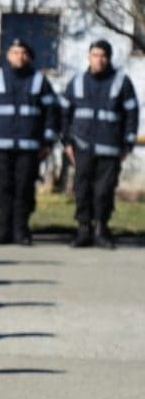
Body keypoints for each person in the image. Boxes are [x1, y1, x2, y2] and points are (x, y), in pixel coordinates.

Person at [0, 38, 60, 246]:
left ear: (29, 57)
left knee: (24, 188)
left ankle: (21, 230)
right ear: (8, 56)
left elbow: (52, 113)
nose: (19, 57)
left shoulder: (39, 81)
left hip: (29, 147)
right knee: (5, 188)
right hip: (0, 146)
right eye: (15, 52)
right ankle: (3, 229)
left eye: (23, 53)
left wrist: (48, 142)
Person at [61, 39, 139, 248]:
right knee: (82, 189)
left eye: (103, 56)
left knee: (104, 191)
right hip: (81, 146)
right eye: (95, 55)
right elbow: (64, 114)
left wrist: (128, 144)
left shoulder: (121, 82)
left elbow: (131, 114)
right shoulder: (77, 81)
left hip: (110, 148)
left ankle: (101, 230)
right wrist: (66, 142)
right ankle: (83, 230)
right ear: (89, 57)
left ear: (109, 58)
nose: (99, 60)